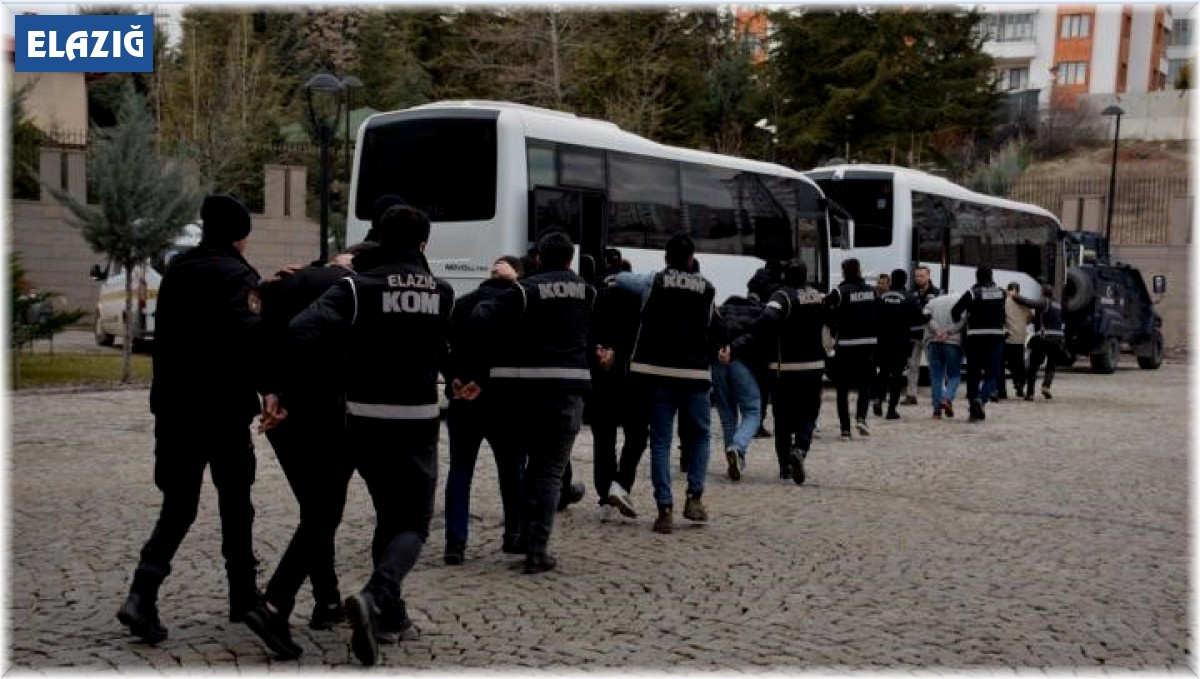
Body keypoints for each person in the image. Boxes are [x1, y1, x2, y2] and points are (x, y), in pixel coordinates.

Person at [290, 204, 455, 666]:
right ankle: (375, 595)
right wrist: (459, 378)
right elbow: (447, 348)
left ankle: (389, 617)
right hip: (417, 420)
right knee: (413, 524)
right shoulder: (441, 292)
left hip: (363, 420)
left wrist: (343, 358)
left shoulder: (355, 288)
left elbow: (301, 330)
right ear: (423, 244)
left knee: (389, 515)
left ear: (378, 238)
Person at [118, 194, 280, 645]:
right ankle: (243, 594)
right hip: (222, 410)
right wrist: (270, 386)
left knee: (178, 506)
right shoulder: (238, 276)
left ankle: (141, 594)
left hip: (174, 409)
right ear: (240, 235)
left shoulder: (178, 270)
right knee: (236, 504)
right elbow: (250, 338)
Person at [243, 242, 378, 659]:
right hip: (330, 412)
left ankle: (327, 600)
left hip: (282, 415)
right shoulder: (357, 289)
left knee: (317, 511)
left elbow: (259, 332)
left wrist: (271, 388)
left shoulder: (291, 279)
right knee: (323, 512)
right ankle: (274, 606)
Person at [463, 230, 594, 574]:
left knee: (525, 467)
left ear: (537, 259)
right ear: (570, 261)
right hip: (569, 391)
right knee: (549, 472)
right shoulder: (588, 291)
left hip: (524, 395)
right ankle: (538, 549)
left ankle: (521, 535)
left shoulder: (525, 290)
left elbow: (480, 316)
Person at [627, 234, 729, 534]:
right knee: (700, 435)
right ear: (691, 257)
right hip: (694, 374)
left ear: (665, 257)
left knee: (661, 440)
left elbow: (625, 283)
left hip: (657, 372)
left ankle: (664, 508)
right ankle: (694, 497)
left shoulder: (654, 282)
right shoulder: (707, 288)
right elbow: (716, 326)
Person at [442, 256, 525, 566]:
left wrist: (455, 379)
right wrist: (484, 382)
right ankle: (514, 534)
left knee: (460, 470)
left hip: (463, 399)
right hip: (505, 401)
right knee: (512, 470)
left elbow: (444, 345)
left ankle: (455, 543)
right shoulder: (518, 306)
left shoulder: (463, 303)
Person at [740, 259, 826, 484]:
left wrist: (752, 331)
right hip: (814, 366)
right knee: (809, 413)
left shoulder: (782, 296)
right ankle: (800, 449)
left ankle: (785, 466)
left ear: (785, 276)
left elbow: (768, 317)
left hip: (785, 367)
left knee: (783, 419)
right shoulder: (817, 295)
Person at [590, 262, 650, 520]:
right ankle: (621, 484)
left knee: (603, 436)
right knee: (637, 435)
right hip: (633, 377)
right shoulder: (640, 299)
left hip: (600, 376)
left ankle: (605, 495)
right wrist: (618, 351)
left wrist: (600, 350)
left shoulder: (594, 295)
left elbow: (586, 331)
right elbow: (642, 335)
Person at [712, 278, 766, 481]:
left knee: (727, 416)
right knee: (752, 411)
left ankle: (732, 462)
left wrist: (720, 350)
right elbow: (757, 338)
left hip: (719, 363)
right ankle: (738, 447)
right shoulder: (758, 313)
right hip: (743, 364)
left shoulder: (721, 311)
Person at [824, 258, 878, 439]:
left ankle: (845, 429)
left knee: (842, 388)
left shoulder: (839, 292)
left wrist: (834, 326)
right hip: (868, 344)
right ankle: (861, 417)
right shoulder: (871, 291)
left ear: (843, 272)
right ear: (859, 271)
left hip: (846, 345)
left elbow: (825, 311)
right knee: (866, 384)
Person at [951, 265, 1007, 422]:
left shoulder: (971, 293)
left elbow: (955, 311)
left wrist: (962, 320)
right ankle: (981, 400)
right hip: (996, 336)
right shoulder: (1002, 292)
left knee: (973, 374)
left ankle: (973, 409)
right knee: (993, 374)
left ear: (977, 277)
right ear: (992, 276)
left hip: (975, 337)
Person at [874, 269, 922, 420]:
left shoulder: (882, 297)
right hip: (901, 341)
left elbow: (875, 315)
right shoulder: (910, 297)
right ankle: (891, 410)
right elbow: (919, 317)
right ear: (905, 280)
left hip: (883, 340)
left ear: (892, 280)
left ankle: (878, 399)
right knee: (896, 376)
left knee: (883, 372)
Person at [1011, 283, 1065, 401]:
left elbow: (1030, 303)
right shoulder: (1058, 304)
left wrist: (1015, 296)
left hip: (1045, 338)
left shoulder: (1045, 302)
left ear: (1043, 293)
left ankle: (1030, 393)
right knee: (1051, 365)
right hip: (1058, 339)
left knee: (1033, 366)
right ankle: (1046, 386)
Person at [923, 291, 966, 418]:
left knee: (936, 377)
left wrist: (936, 330)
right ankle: (947, 398)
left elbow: (925, 315)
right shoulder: (959, 302)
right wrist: (948, 332)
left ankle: (937, 411)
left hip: (934, 341)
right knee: (954, 375)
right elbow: (962, 321)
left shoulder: (933, 302)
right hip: (953, 343)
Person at [904, 266, 940, 405]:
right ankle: (911, 395)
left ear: (928, 276)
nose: (918, 279)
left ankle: (938, 395)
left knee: (934, 366)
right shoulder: (910, 293)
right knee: (912, 366)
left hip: (930, 333)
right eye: (917, 276)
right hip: (913, 334)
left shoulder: (937, 293)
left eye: (922, 276)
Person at [1000, 282, 1033, 400]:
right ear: (1018, 291)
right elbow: (1030, 318)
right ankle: (1019, 383)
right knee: (1019, 364)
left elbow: (1001, 317)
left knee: (1001, 365)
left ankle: (1002, 392)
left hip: (1008, 338)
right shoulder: (1024, 302)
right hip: (1020, 338)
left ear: (1008, 290)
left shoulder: (1005, 302)